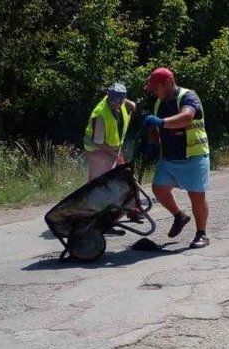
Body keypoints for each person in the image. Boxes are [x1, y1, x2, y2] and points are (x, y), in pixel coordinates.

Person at [142, 67, 211, 249]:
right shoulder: (159, 102)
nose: (154, 92)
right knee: (159, 189)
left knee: (196, 195)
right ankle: (179, 216)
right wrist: (152, 144)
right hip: (170, 157)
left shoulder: (188, 96)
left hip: (193, 155)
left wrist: (161, 122)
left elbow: (187, 117)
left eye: (156, 88)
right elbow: (154, 127)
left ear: (167, 83)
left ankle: (201, 234)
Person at [83, 82, 135, 181]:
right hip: (97, 149)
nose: (117, 104)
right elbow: (98, 142)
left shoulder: (121, 103)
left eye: (120, 101)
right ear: (108, 96)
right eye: (114, 100)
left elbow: (133, 106)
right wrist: (114, 154)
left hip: (113, 148)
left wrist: (127, 102)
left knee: (123, 174)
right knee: (98, 182)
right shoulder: (100, 115)